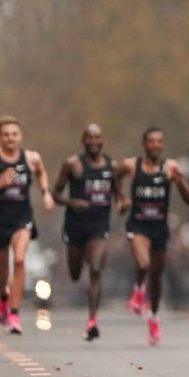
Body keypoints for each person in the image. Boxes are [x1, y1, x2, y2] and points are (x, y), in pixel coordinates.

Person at [0, 116, 55, 335]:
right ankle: (3, 297)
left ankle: (14, 314)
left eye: (14, 134)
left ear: (20, 136)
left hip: (22, 219)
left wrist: (46, 194)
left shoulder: (31, 157)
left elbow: (41, 173)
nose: (10, 138)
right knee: (2, 272)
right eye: (6, 134)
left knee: (18, 261)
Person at [113, 127, 189, 346]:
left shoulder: (171, 168)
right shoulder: (131, 165)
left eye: (159, 141)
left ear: (163, 145)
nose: (155, 145)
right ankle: (139, 290)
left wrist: (181, 182)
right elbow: (114, 177)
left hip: (159, 228)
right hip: (138, 225)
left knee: (156, 276)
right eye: (151, 141)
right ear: (144, 144)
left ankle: (154, 319)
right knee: (144, 262)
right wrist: (121, 199)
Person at [52, 124, 126, 341]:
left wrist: (124, 203)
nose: (93, 141)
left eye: (97, 137)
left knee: (95, 268)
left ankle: (92, 321)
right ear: (83, 141)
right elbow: (55, 194)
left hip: (98, 225)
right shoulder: (72, 165)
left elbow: (120, 195)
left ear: (103, 141)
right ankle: (90, 313)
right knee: (75, 274)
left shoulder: (112, 166)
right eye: (89, 138)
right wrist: (71, 202)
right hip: (75, 226)